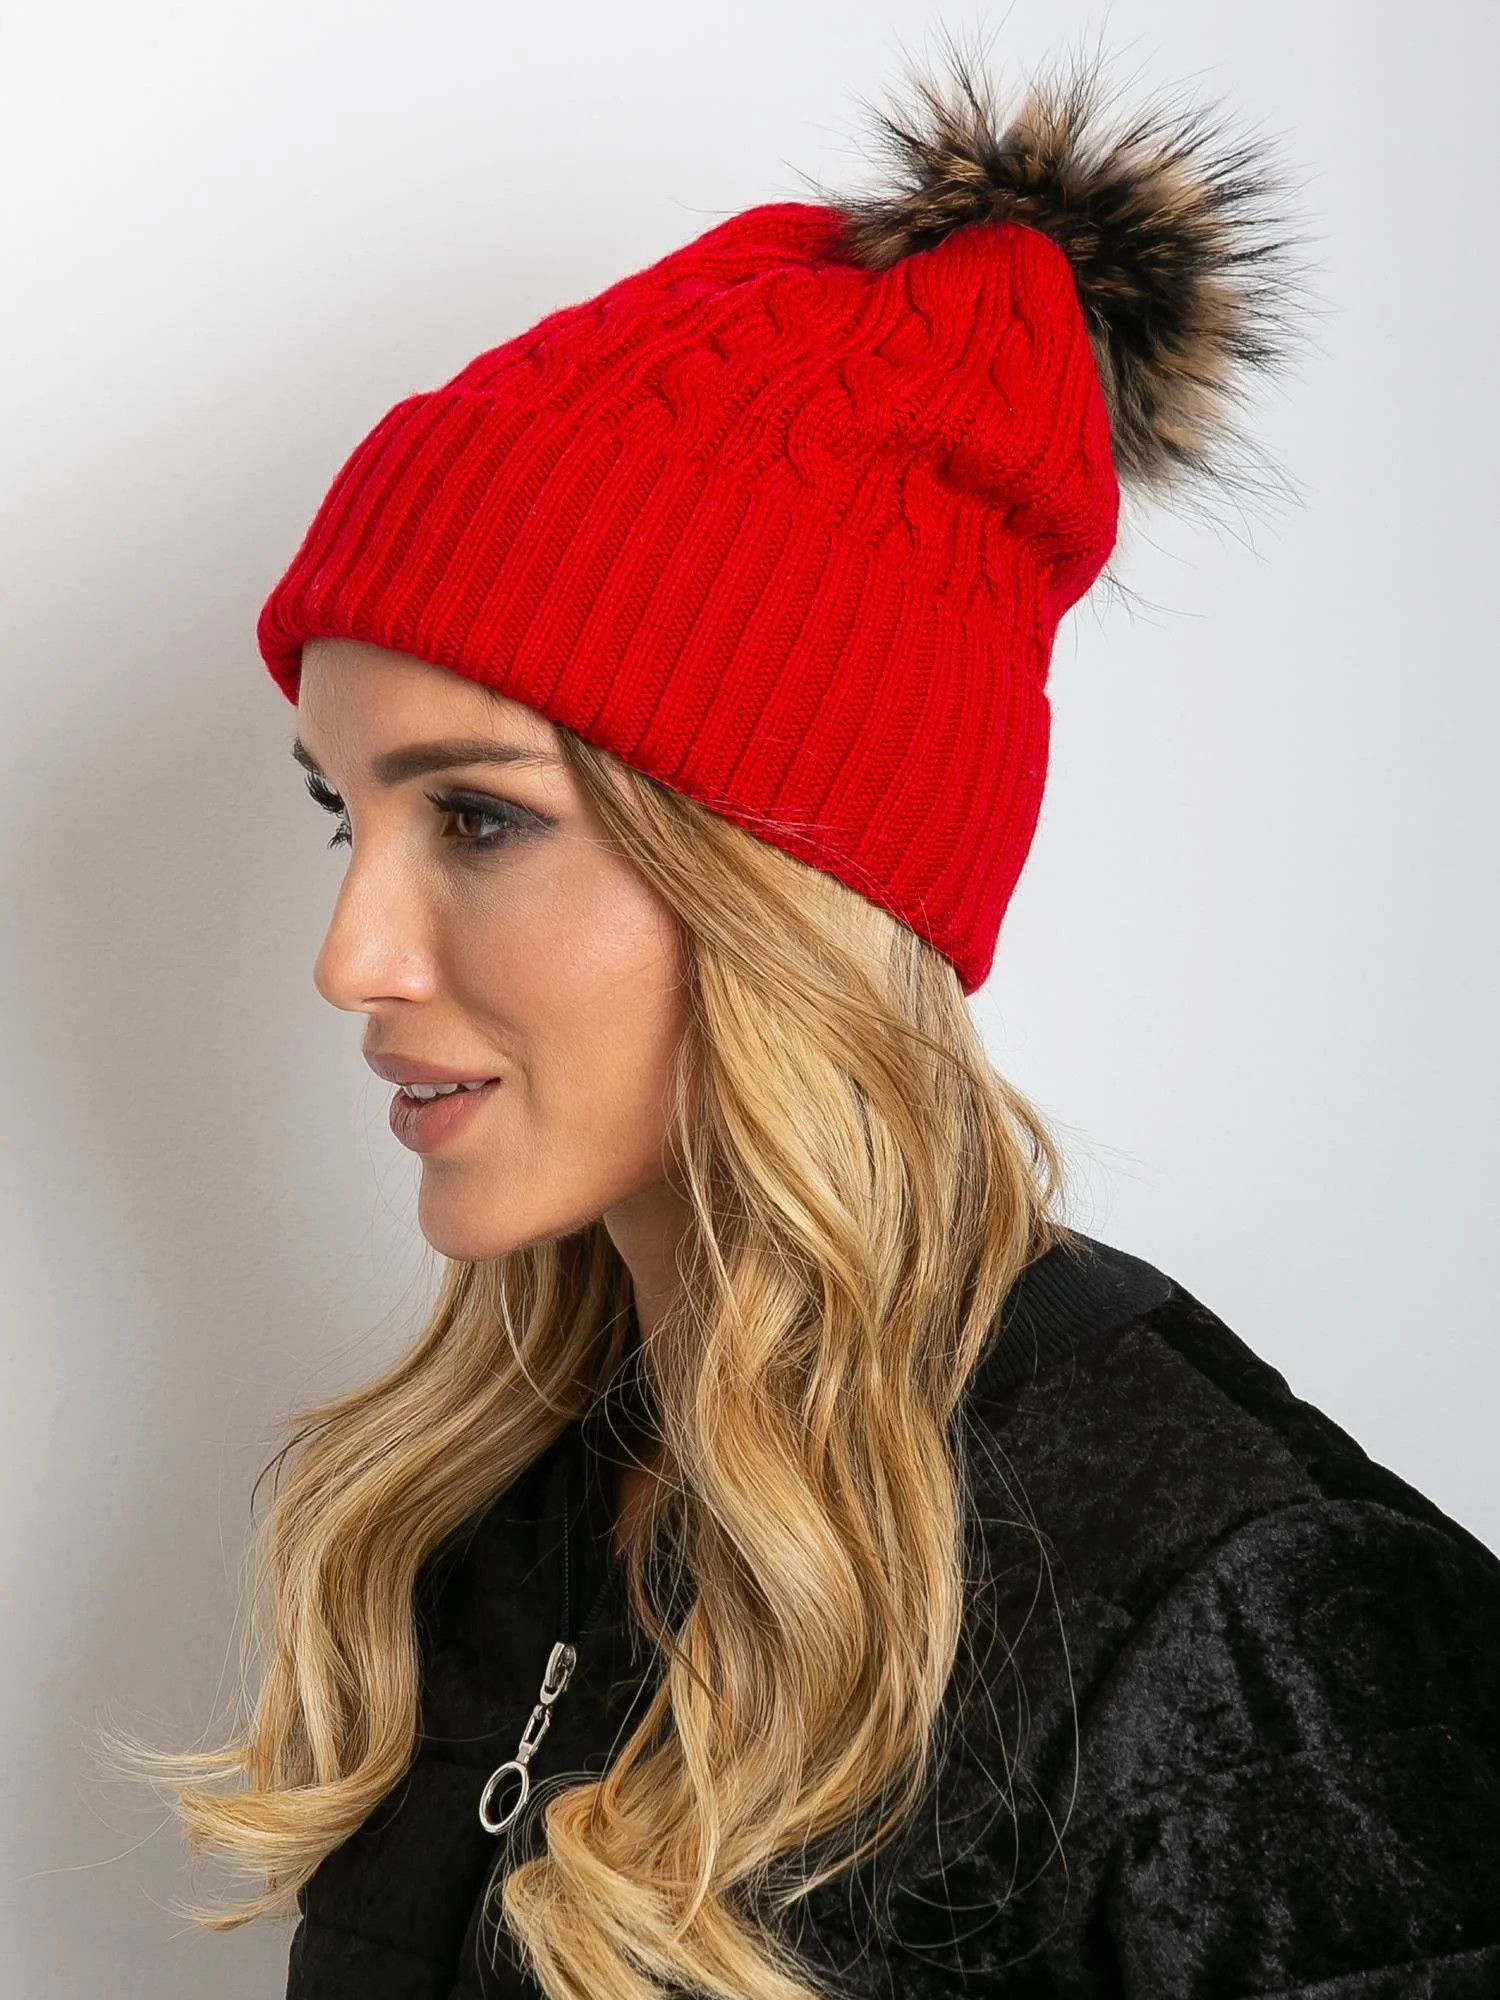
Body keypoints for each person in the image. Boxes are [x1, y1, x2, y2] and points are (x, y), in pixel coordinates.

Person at [116, 38, 1500, 2000]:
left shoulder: (1253, 1613)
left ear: (788, 880)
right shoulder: (492, 1514)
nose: (353, 957)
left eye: (480, 817)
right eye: (349, 815)